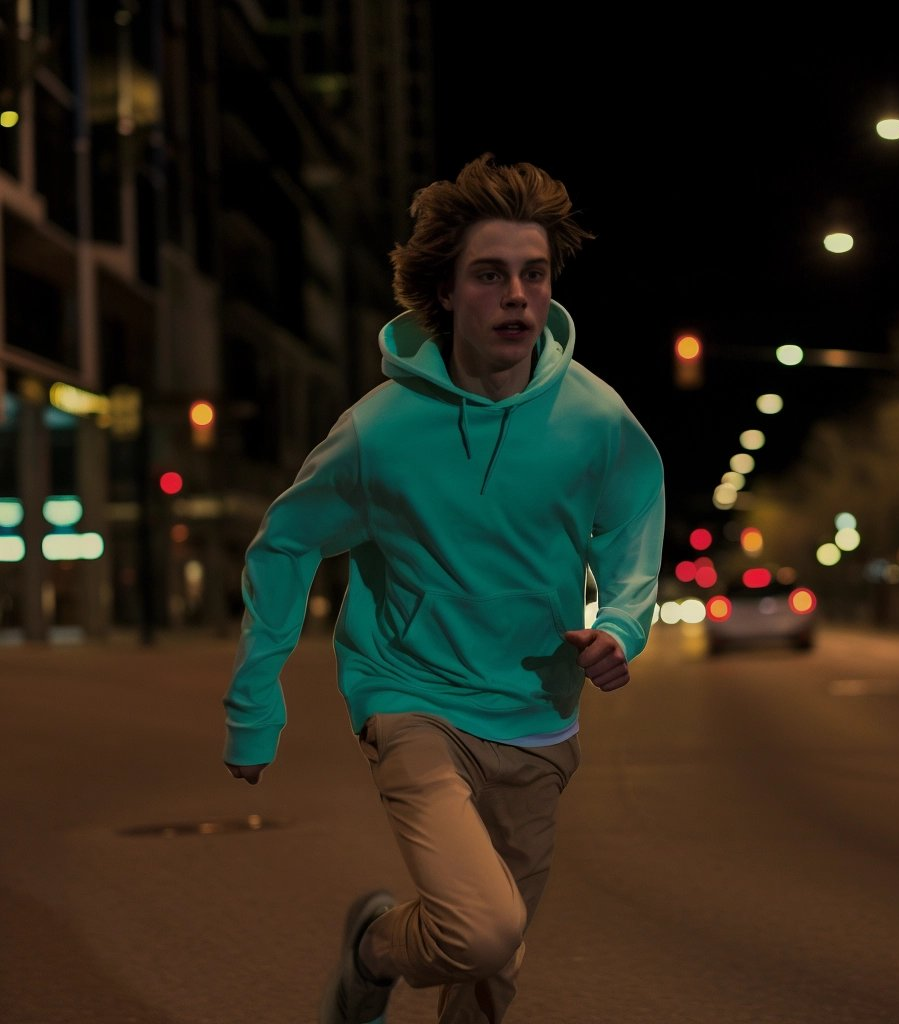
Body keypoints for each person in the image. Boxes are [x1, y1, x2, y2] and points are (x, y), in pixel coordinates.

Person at [222, 153, 666, 1024]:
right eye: (490, 275)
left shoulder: (595, 419)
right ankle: (374, 949)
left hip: (540, 711)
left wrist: (622, 623)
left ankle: (396, 962)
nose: (516, 296)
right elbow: (284, 547)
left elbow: (633, 533)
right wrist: (253, 706)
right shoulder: (378, 433)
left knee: (492, 973)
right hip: (412, 695)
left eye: (533, 275)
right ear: (446, 293)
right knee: (484, 928)